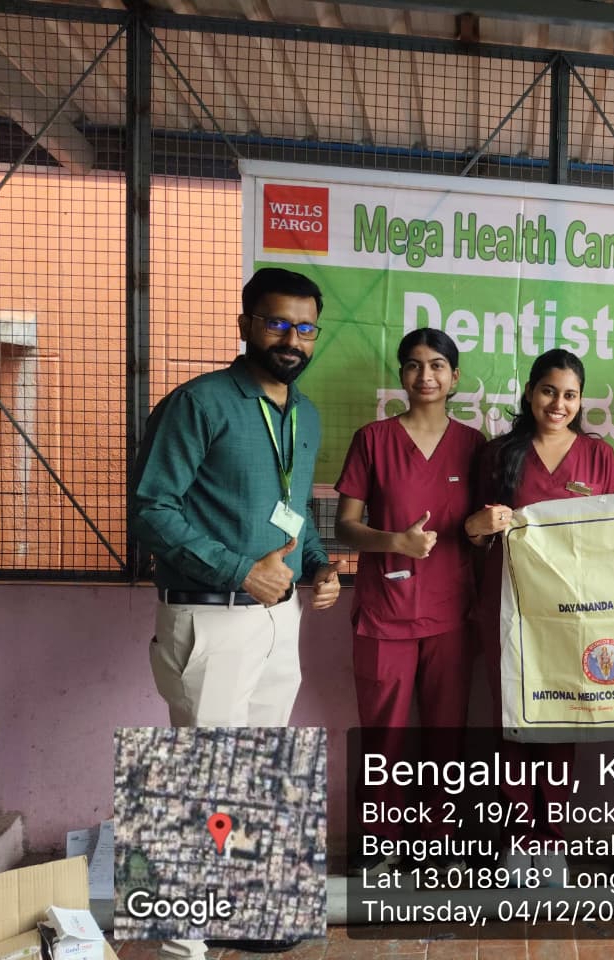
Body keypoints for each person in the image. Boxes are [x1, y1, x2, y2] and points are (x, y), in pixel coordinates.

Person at [130, 267, 341, 957]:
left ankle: (239, 913)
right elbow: (150, 510)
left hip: (279, 618)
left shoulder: (302, 414)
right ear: (246, 323)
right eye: (277, 323)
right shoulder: (200, 404)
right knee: (203, 769)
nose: (291, 339)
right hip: (211, 616)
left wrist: (318, 565)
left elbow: (295, 512)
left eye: (304, 327)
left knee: (256, 766)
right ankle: (181, 940)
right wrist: (237, 570)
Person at [465, 349, 614, 883]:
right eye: (549, 391)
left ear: (581, 401)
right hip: (507, 605)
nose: (559, 403)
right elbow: (470, 533)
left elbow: (613, 539)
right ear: (531, 392)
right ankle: (516, 837)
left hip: (572, 614)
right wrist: (483, 523)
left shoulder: (599, 456)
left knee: (560, 721)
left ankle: (551, 841)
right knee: (513, 722)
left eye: (571, 394)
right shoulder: (498, 454)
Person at [334, 328, 484, 871]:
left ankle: (438, 841)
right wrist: (394, 540)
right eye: (415, 365)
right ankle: (380, 843)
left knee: (446, 738)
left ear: (455, 377)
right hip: (384, 614)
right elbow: (346, 527)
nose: (426, 376)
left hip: (451, 614)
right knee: (385, 738)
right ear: (401, 375)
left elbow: (484, 528)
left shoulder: (474, 445)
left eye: (438, 365)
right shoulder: (372, 440)